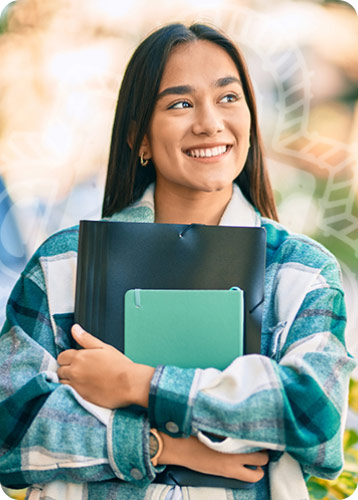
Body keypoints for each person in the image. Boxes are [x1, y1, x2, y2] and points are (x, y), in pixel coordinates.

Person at [0, 22, 355, 500]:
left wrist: (138, 383)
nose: (210, 122)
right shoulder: (65, 265)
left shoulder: (301, 270)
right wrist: (160, 446)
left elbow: (314, 417)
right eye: (180, 103)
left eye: (228, 98)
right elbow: (11, 433)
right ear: (138, 137)